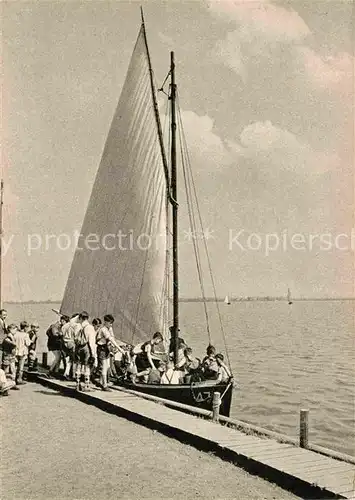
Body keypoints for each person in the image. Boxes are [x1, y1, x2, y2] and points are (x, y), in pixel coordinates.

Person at [95, 314, 123, 391]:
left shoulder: (108, 328)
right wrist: (120, 349)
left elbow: (112, 337)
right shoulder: (103, 329)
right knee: (104, 367)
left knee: (107, 366)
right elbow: (110, 339)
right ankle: (104, 385)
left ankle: (100, 381)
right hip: (102, 349)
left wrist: (113, 347)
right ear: (106, 322)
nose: (111, 325)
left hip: (106, 348)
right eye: (110, 323)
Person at [74, 311, 97, 392]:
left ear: (80, 318)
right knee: (87, 366)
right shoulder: (90, 327)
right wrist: (93, 354)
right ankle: (86, 385)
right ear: (88, 318)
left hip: (78, 347)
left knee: (78, 365)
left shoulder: (77, 326)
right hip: (86, 348)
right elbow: (91, 342)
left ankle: (77, 384)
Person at [61, 313, 80, 380]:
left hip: (65, 343)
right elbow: (76, 335)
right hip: (71, 343)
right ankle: (74, 375)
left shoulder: (65, 326)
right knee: (74, 360)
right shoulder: (76, 325)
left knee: (69, 359)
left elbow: (62, 334)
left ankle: (66, 373)